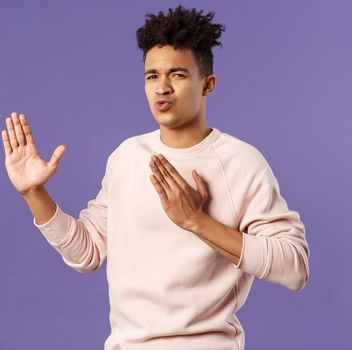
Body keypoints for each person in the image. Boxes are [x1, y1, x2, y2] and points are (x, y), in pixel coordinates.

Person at [1, 5, 309, 350]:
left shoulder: (241, 162)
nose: (162, 88)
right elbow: (86, 252)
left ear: (207, 84)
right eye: (152, 76)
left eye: (177, 74)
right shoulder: (126, 157)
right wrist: (33, 193)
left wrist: (196, 221)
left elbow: (294, 267)